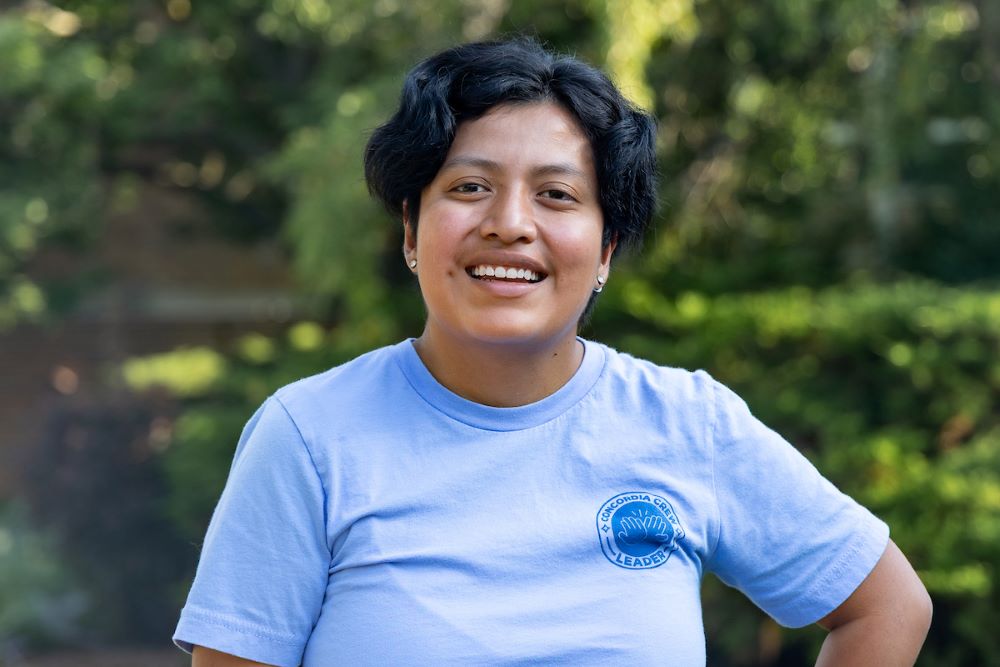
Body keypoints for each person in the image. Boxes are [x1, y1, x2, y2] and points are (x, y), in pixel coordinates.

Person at [173, 38, 932, 666]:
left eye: (557, 195)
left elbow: (886, 606)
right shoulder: (308, 437)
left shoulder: (689, 423)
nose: (509, 223)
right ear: (411, 230)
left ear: (604, 247)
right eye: (469, 186)